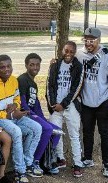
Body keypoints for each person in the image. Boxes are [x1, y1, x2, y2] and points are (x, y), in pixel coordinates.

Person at [0, 54, 42, 183]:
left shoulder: (13, 80)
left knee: (37, 128)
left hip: (13, 116)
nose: (6, 69)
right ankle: (19, 171)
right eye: (2, 67)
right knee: (17, 132)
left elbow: (17, 99)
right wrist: (9, 115)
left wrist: (15, 105)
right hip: (0, 119)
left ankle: (27, 163)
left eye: (9, 66)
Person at [17, 53, 61, 174]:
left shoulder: (34, 84)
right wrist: (36, 117)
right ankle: (34, 162)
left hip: (34, 114)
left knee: (57, 131)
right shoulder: (22, 80)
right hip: (25, 115)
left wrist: (43, 119)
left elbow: (36, 105)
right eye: (32, 65)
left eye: (37, 65)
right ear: (26, 65)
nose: (35, 67)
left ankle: (46, 160)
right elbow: (22, 102)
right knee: (47, 129)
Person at [46, 41, 84, 177]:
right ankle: (60, 158)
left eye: (71, 52)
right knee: (56, 133)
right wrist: (52, 104)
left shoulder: (78, 67)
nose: (68, 54)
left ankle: (77, 163)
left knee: (74, 135)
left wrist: (64, 104)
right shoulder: (55, 65)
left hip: (71, 106)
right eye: (66, 51)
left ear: (74, 53)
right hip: (56, 106)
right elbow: (49, 85)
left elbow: (76, 88)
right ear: (62, 50)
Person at [76, 27, 108, 177]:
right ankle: (88, 158)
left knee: (105, 133)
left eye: (92, 41)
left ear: (98, 40)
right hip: (86, 101)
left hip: (103, 100)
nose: (88, 43)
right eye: (86, 40)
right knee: (87, 131)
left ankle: (106, 164)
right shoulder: (80, 54)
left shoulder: (106, 55)